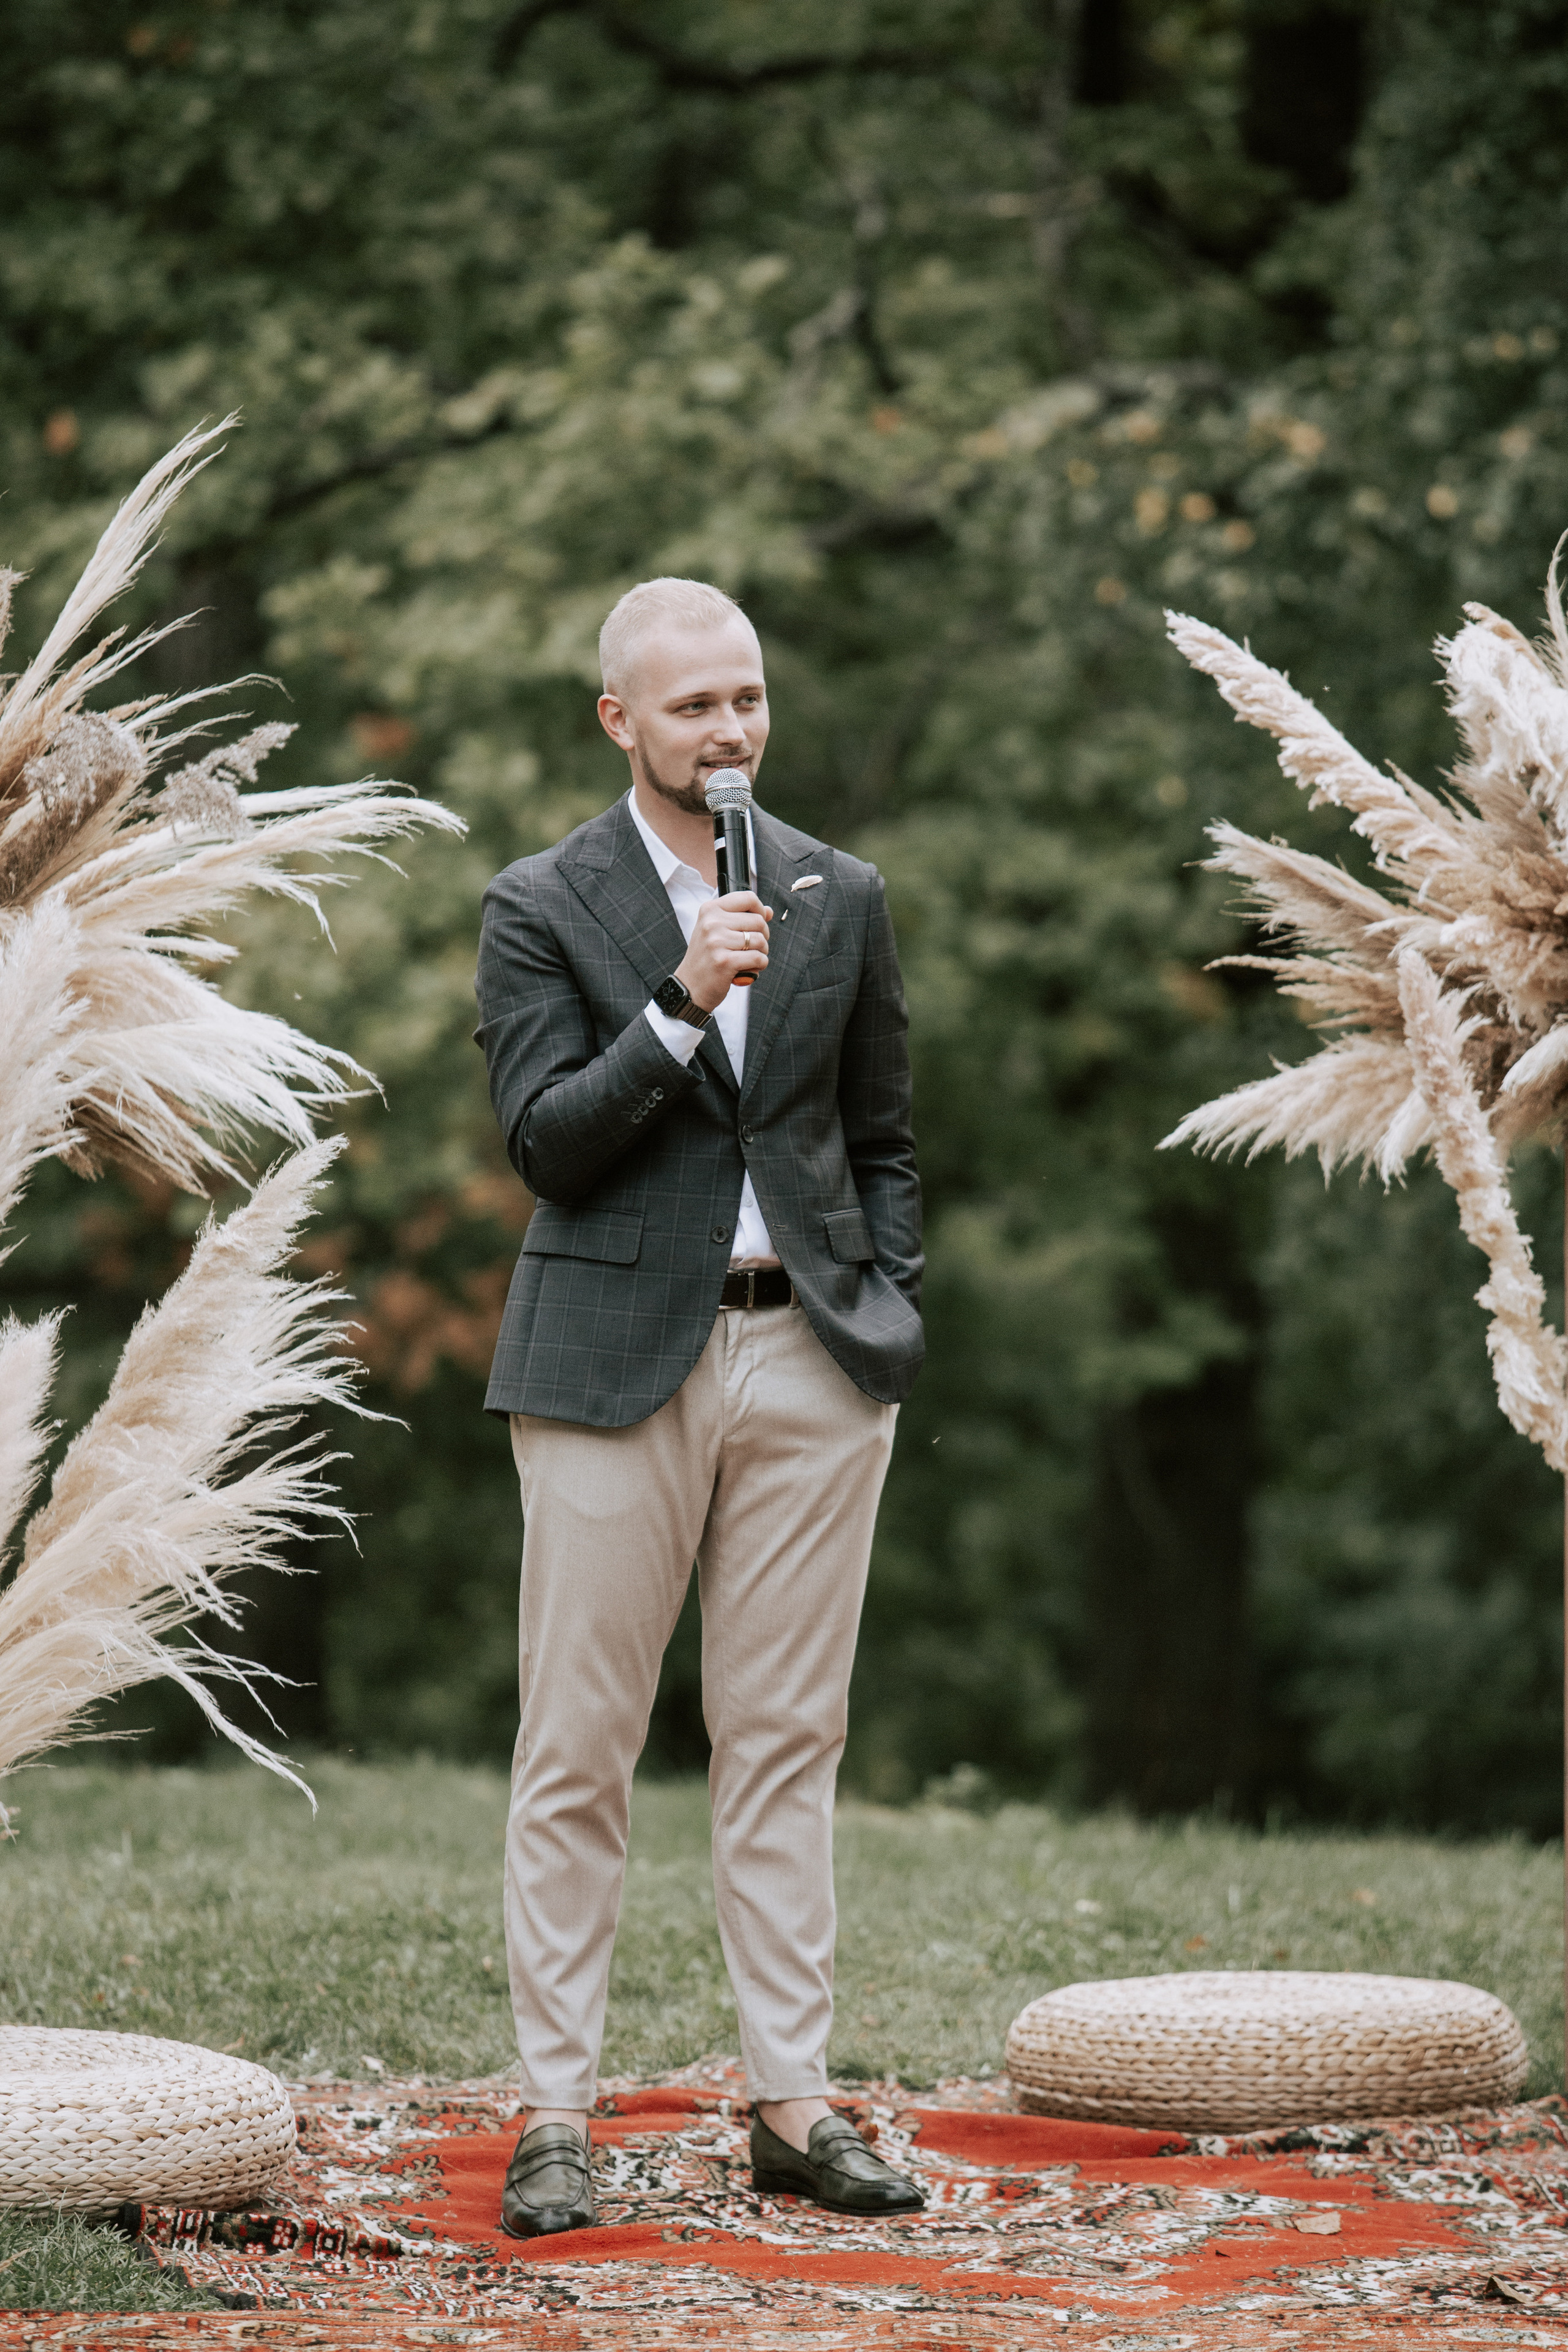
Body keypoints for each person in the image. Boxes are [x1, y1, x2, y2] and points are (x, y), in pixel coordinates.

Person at [473, 576, 925, 2237]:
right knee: (577, 1747)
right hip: (607, 1365)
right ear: (620, 721)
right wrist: (679, 1000)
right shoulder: (542, 903)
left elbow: (878, 1133)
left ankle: (794, 2107)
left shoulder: (839, 888)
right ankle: (556, 2116)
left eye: (745, 700)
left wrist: (888, 1304)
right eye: (693, 707)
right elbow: (547, 1142)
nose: (729, 731)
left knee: (788, 1743)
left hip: (810, 1355)